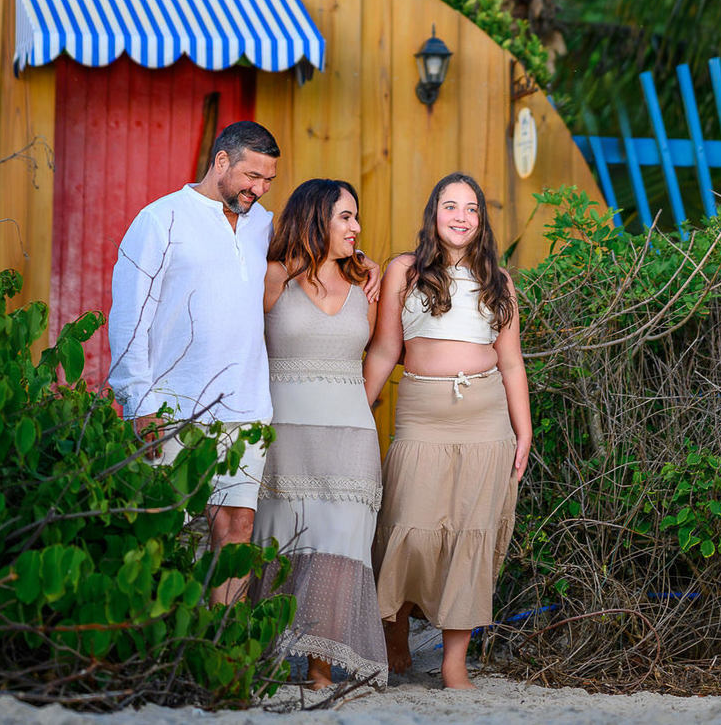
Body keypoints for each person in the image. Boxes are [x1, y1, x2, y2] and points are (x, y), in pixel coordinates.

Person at [363, 172, 531, 690]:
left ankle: (453, 659)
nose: (461, 216)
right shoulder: (404, 272)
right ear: (433, 214)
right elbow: (386, 349)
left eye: (471, 208)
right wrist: (354, 410)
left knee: (470, 536)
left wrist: (523, 433)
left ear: (481, 220)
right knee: (407, 528)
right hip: (421, 417)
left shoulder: (499, 283)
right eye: (450, 206)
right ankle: (394, 631)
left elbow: (512, 364)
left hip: (486, 419)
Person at [108, 119, 281, 603]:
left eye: (268, 180)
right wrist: (137, 402)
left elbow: (318, 249)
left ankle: (223, 653)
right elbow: (128, 318)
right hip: (171, 407)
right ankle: (165, 657)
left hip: (246, 408)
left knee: (237, 528)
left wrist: (367, 264)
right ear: (221, 161)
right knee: (168, 534)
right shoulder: (160, 220)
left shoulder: (262, 224)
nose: (259, 189)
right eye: (252, 177)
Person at [252, 180, 388, 691]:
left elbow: (372, 352)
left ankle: (319, 670)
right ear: (316, 219)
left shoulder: (365, 289)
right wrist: (291, 261)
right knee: (276, 540)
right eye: (346, 218)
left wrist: (365, 264)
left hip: (351, 437)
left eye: (356, 218)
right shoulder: (273, 277)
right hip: (282, 436)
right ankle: (261, 657)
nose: (357, 228)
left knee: (338, 546)